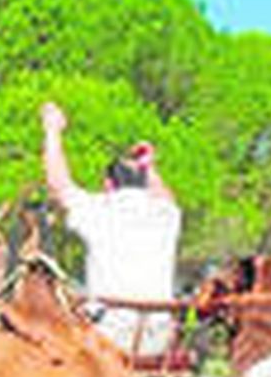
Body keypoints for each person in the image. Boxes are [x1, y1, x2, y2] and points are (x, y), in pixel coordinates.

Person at [39, 100, 181, 358]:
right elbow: (166, 197)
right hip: (157, 338)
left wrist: (52, 131)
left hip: (108, 335)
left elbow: (57, 184)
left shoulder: (99, 210)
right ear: (143, 183)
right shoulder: (166, 214)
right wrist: (149, 166)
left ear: (107, 184)